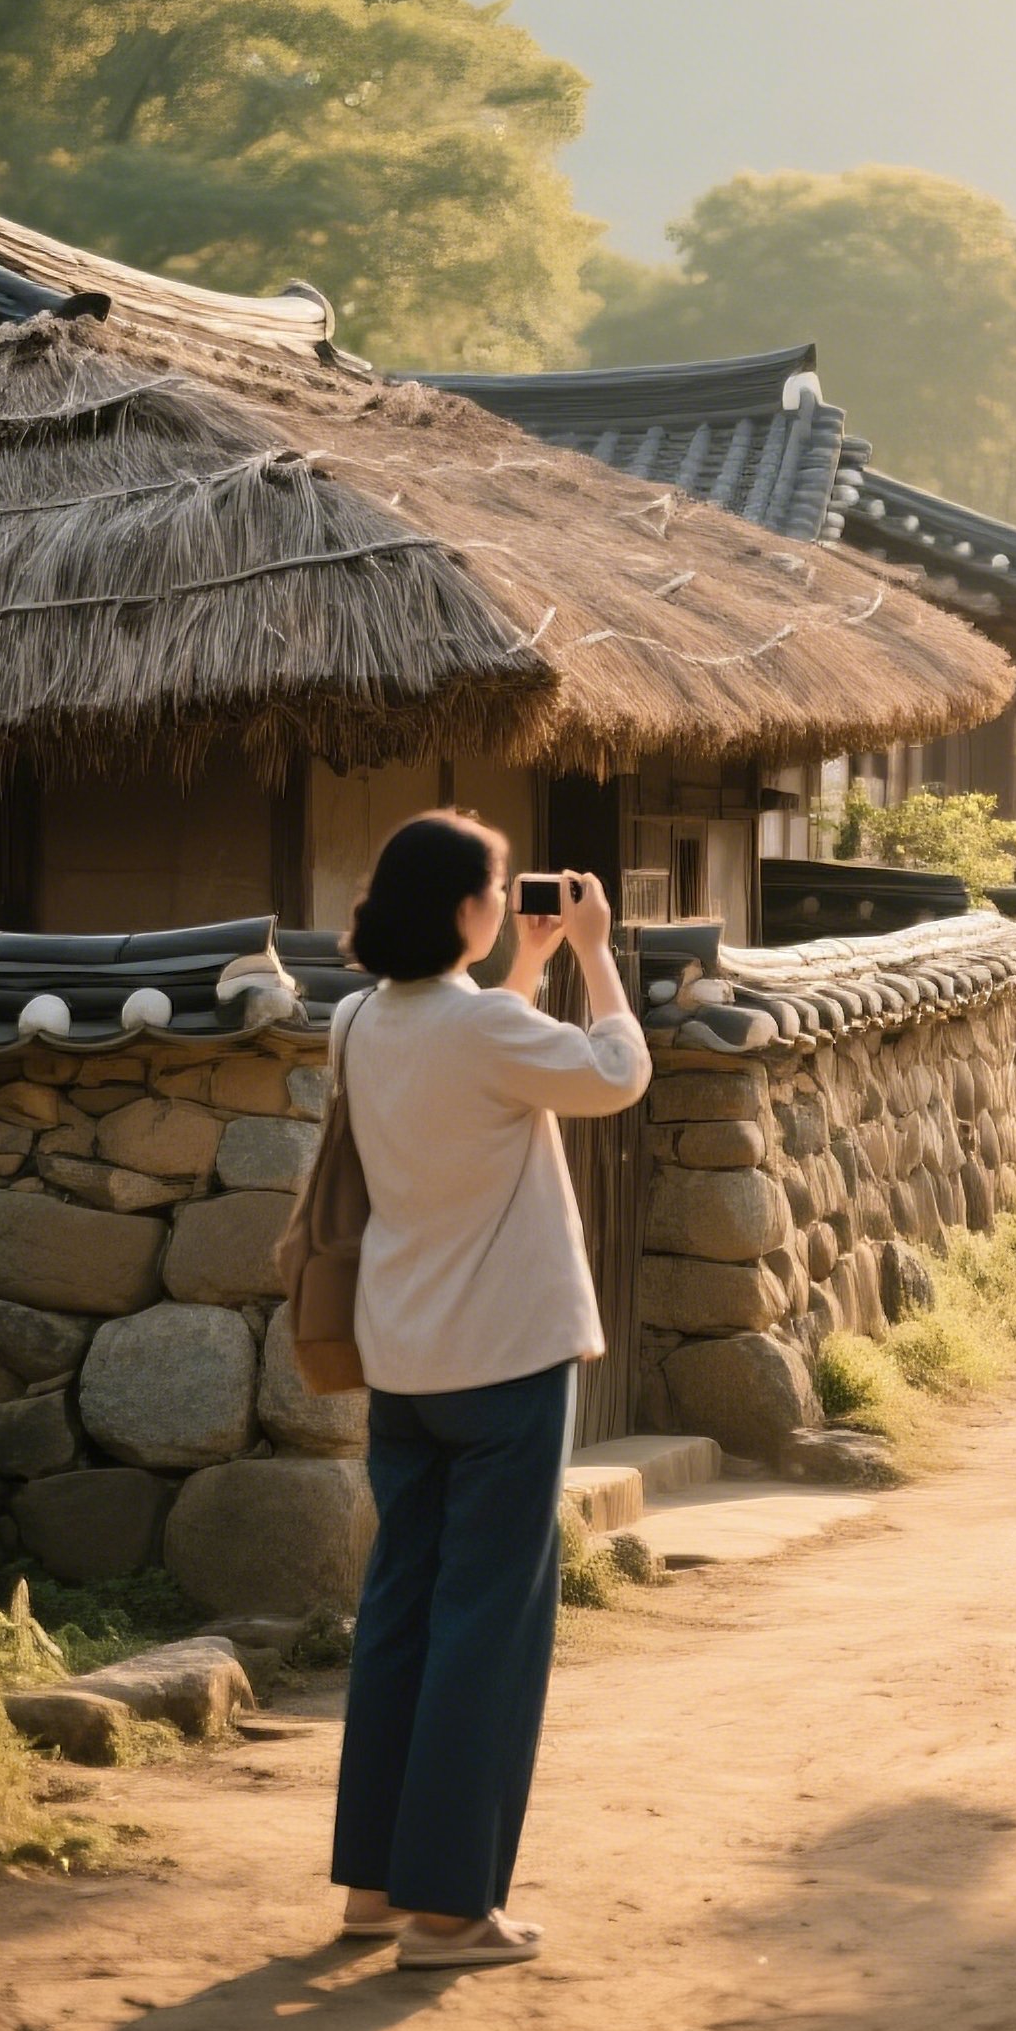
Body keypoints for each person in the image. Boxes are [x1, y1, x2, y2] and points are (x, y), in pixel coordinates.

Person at [329, 812, 650, 1969]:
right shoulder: (483, 1031)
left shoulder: (358, 1018)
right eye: (501, 888)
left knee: (403, 1610)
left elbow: (475, 1052)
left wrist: (525, 964)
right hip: (505, 1358)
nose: (514, 899)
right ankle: (451, 1909)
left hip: (403, 1357)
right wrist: (596, 952)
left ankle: (376, 1883)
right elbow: (616, 1072)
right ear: (467, 908)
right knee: (486, 1630)